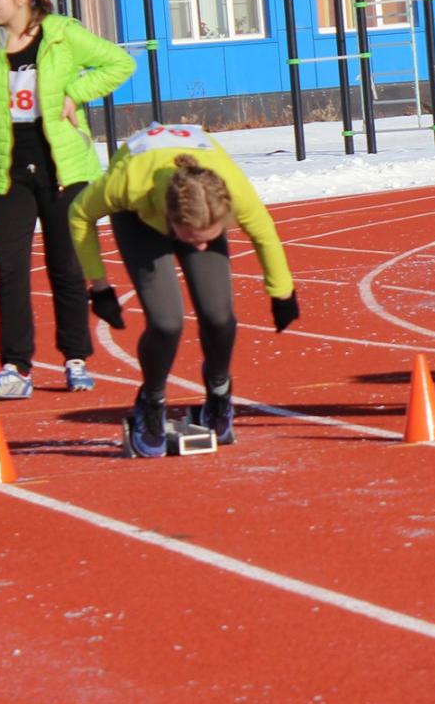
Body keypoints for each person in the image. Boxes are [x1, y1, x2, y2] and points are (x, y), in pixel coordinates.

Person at [0, 0, 134, 398]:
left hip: (64, 169)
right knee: (11, 270)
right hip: (8, 171)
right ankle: (15, 367)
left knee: (67, 268)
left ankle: (75, 358)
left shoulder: (62, 34)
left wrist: (75, 93)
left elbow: (118, 63)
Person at [70, 123, 298, 457]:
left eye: (212, 236)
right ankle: (152, 400)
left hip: (198, 198)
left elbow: (263, 231)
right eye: (194, 240)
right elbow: (78, 214)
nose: (202, 248)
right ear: (171, 221)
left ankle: (219, 391)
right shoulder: (128, 184)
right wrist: (99, 287)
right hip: (138, 218)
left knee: (219, 315)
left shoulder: (231, 190)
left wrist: (282, 292)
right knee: (166, 322)